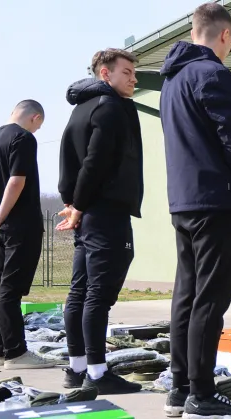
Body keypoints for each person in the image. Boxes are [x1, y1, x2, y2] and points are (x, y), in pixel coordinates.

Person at [159, 2, 231, 419]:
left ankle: (179, 387)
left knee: (187, 295)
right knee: (211, 300)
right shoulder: (213, 74)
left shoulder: (172, 80)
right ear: (225, 36)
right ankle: (202, 393)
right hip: (215, 200)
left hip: (183, 201)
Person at [57, 48, 144, 395]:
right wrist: (78, 204)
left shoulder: (82, 108)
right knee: (98, 294)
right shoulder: (110, 108)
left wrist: (73, 201)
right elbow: (95, 162)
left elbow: (68, 162)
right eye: (127, 73)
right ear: (105, 74)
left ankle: (76, 367)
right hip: (105, 211)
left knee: (79, 291)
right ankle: (96, 372)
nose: (134, 79)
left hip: (89, 212)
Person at [0, 100, 55, 370]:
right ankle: (16, 353)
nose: (37, 131)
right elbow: (17, 180)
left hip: (1, 226)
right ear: (35, 118)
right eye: (39, 126)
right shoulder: (23, 138)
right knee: (10, 289)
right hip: (21, 225)